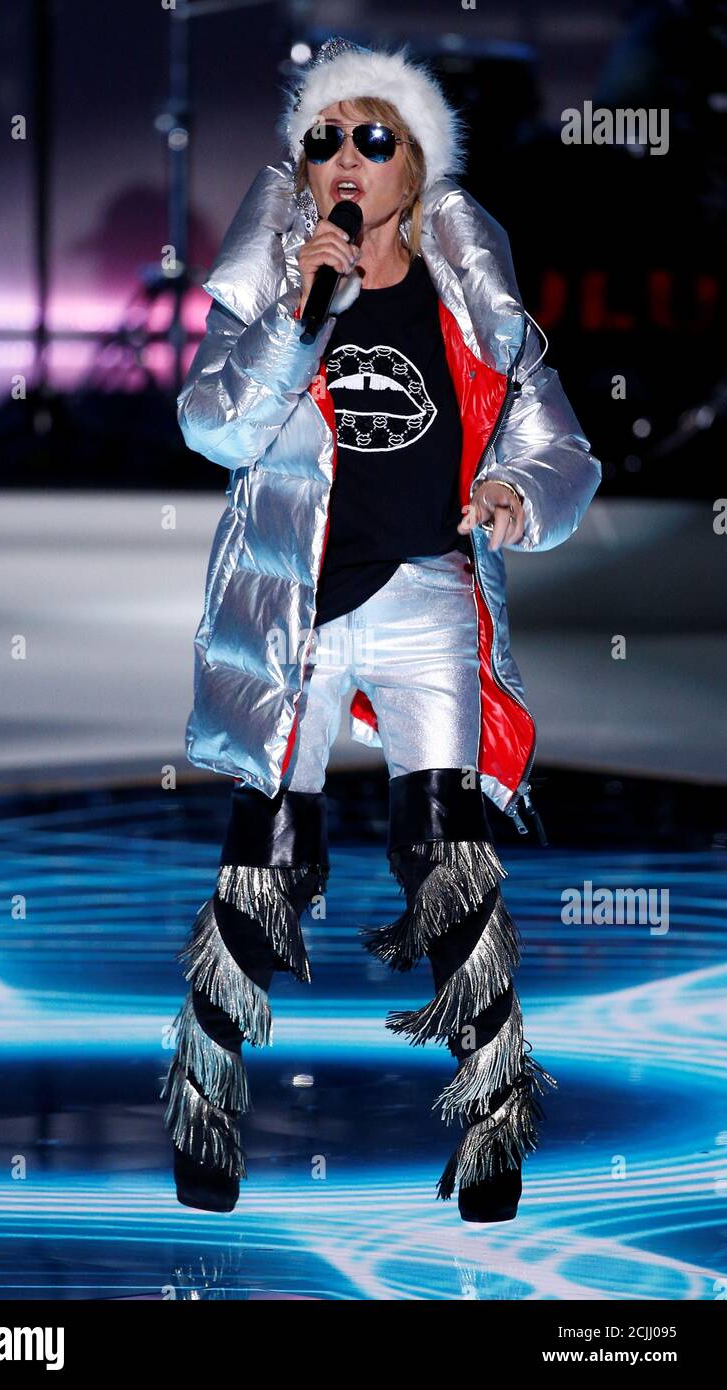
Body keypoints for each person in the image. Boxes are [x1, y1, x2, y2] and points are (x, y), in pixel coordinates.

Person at [161, 35, 601, 1222]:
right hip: (297, 612)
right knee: (266, 863)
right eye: (324, 140)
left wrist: (519, 494)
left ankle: (495, 1127)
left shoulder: (471, 306)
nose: (347, 161)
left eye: (374, 139)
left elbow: (564, 450)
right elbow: (215, 429)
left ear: (415, 170)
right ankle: (203, 1115)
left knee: (447, 855)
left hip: (428, 601)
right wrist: (300, 316)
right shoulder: (276, 292)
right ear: (302, 169)